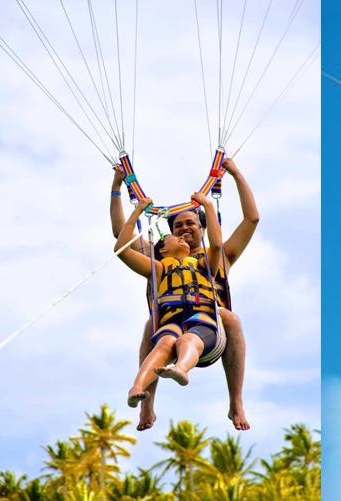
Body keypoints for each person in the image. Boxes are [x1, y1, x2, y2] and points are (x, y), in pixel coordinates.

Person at [110, 157, 259, 431]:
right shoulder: (159, 260)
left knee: (231, 318)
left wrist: (235, 174)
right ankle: (146, 404)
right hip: (169, 325)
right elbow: (122, 236)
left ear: (203, 229)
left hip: (210, 328)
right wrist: (117, 188)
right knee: (151, 326)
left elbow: (252, 218)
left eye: (190, 223)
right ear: (168, 239)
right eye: (177, 226)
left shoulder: (216, 257)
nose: (184, 229)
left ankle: (235, 402)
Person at [117, 194, 225, 408]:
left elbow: (216, 246)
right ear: (163, 250)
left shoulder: (204, 265)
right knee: (166, 342)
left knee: (187, 340)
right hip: (171, 323)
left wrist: (208, 207)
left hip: (202, 321)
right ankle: (137, 386)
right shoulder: (157, 268)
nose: (182, 238)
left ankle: (181, 369)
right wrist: (137, 211)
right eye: (175, 237)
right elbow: (121, 249)